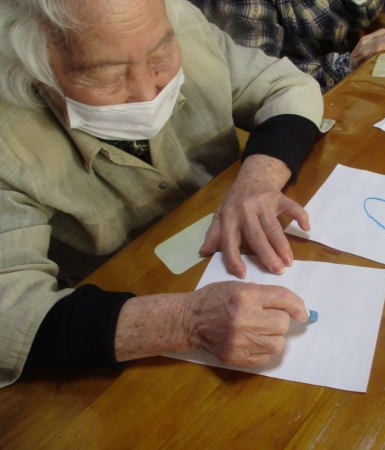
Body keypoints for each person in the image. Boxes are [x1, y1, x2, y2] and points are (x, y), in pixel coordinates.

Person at [0, 0, 325, 388]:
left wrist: (260, 177)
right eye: (105, 76)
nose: (146, 93)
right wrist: (186, 322)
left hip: (220, 247)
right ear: (33, 69)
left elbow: (287, 85)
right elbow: (10, 313)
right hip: (122, 320)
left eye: (160, 56)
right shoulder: (8, 140)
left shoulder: (182, 24)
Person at [193, 0, 385, 91]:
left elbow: (362, 16)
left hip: (344, 81)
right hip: (297, 98)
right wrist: (346, 63)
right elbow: (261, 78)